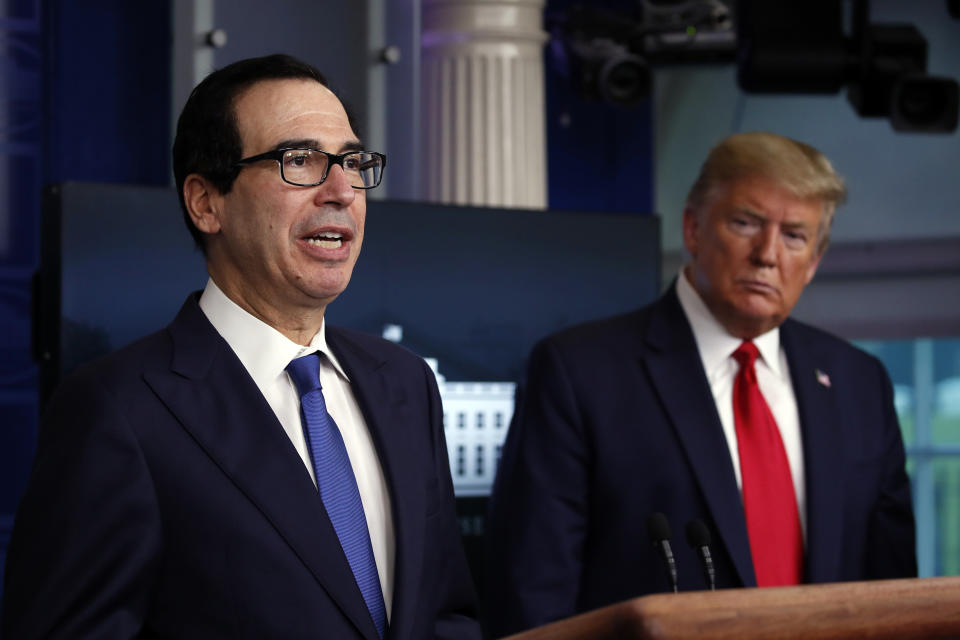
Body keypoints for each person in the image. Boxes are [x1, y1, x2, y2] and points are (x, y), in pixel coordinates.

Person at [2, 54, 480, 640]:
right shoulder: (116, 410)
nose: (340, 190)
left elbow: (447, 615)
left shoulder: (405, 382)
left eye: (352, 162)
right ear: (206, 202)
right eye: (299, 160)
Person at [484, 132, 917, 636]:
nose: (767, 254)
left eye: (795, 235)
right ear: (693, 227)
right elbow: (532, 596)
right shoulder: (579, 371)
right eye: (745, 223)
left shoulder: (858, 383)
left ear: (814, 262)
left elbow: (894, 593)